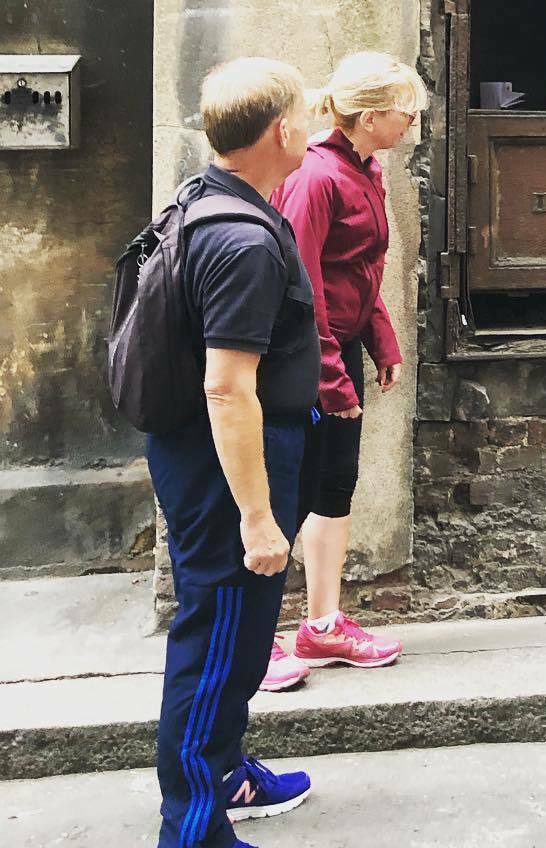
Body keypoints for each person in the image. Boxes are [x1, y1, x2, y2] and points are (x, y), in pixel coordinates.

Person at [146, 59, 320, 847]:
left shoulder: (203, 201)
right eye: (305, 115)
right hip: (229, 463)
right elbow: (226, 387)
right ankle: (191, 830)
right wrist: (256, 516)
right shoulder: (242, 239)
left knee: (240, 636)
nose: (311, 126)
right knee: (218, 638)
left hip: (214, 453)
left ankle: (226, 772)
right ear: (281, 130)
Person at [267, 52, 427, 682]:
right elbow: (300, 284)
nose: (412, 118)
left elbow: (361, 269)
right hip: (306, 363)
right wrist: (332, 380)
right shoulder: (316, 177)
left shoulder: (365, 169)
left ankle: (322, 626)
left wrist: (382, 341)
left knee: (333, 487)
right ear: (368, 116)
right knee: (286, 496)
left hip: (338, 354)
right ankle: (255, 641)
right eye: (403, 108)